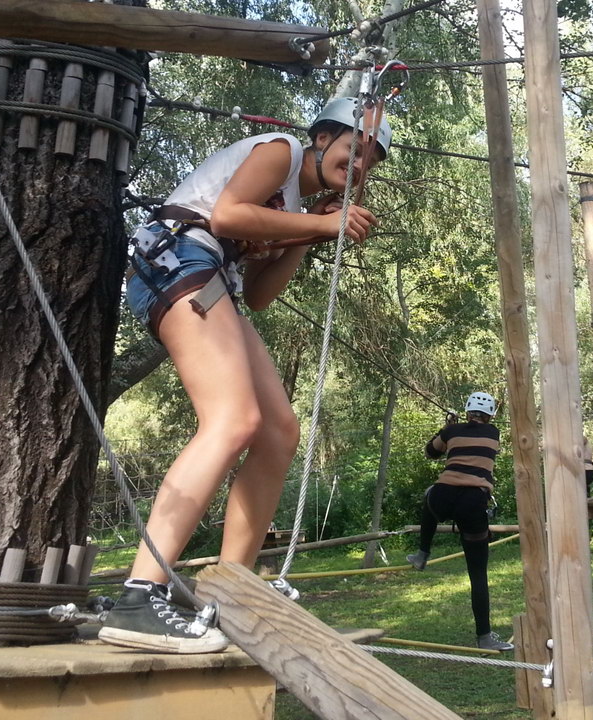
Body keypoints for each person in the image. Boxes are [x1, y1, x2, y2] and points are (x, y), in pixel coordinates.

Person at [99, 97, 390, 653]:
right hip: (177, 258)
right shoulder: (280, 152)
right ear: (322, 137)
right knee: (232, 421)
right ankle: (139, 595)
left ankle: (231, 593)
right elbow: (228, 216)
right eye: (355, 149)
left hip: (215, 281)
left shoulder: (295, 204)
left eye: (369, 162)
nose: (359, 165)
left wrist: (310, 234)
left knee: (278, 431)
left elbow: (258, 295)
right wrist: (318, 221)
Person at [405, 391, 515, 653]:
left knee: (430, 495)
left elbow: (430, 452)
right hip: (473, 501)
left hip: (444, 494)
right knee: (478, 574)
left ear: (467, 411)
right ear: (491, 415)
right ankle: (484, 636)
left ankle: (422, 553)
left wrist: (446, 428)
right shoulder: (494, 433)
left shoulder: (451, 431)